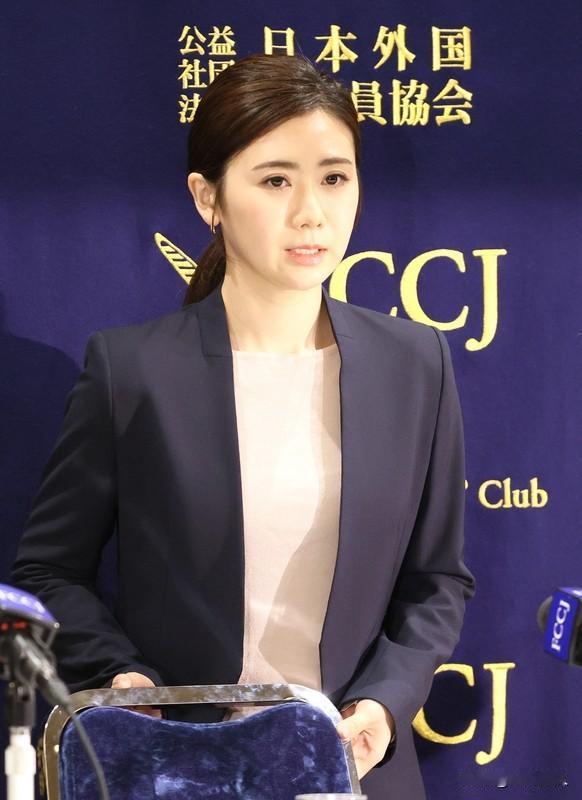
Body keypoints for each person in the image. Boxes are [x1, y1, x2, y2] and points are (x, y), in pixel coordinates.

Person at [11, 53, 475, 799]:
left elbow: (437, 579)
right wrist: (121, 677)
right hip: (172, 767)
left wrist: (384, 706)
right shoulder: (132, 370)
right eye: (275, 180)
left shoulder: (414, 363)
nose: (311, 213)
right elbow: (49, 571)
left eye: (334, 177)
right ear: (209, 197)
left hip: (351, 772)